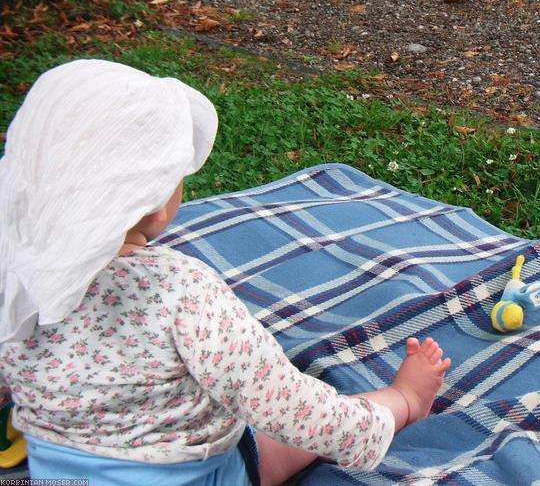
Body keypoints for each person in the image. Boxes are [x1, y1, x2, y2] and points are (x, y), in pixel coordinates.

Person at [0, 59, 451, 485]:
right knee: (276, 439)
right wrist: (366, 424)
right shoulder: (180, 292)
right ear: (156, 201)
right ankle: (404, 401)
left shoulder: (12, 272)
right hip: (195, 475)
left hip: (54, 472)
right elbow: (288, 406)